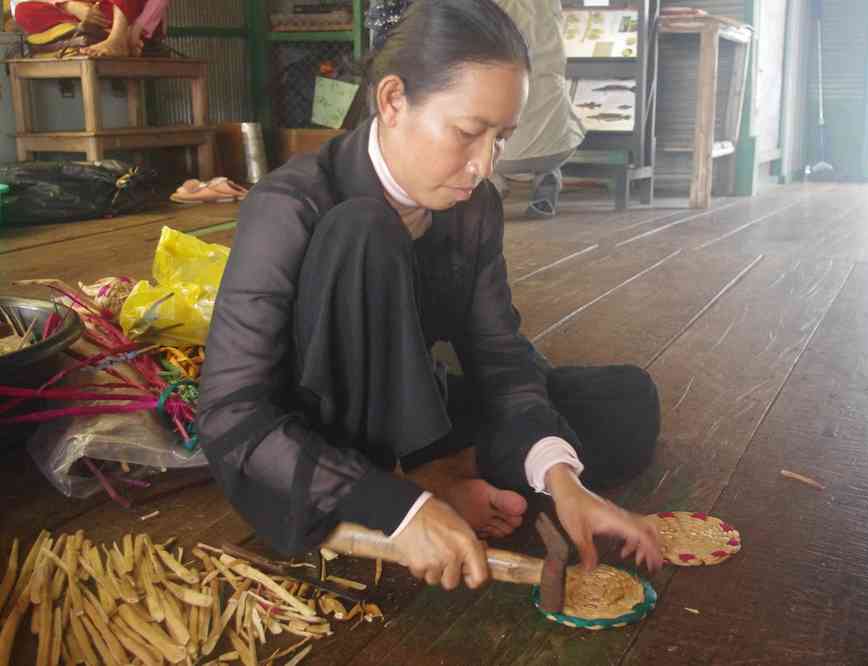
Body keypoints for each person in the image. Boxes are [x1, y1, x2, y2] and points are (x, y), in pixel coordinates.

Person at [198, 0, 662, 592]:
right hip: (324, 442)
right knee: (363, 232)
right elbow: (231, 416)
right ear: (393, 101)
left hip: (416, 408)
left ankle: (443, 471)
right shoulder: (290, 207)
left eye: (501, 137)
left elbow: (498, 354)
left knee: (627, 401)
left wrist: (564, 482)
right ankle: (412, 487)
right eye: (469, 133)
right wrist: (399, 509)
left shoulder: (476, 207)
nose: (483, 164)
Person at [492, 0, 585, 218]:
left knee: (483, 128)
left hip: (502, 156)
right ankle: (546, 183)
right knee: (556, 110)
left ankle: (493, 187)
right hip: (557, 149)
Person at [11, 0, 168, 56]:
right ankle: (98, 32)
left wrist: (136, 29)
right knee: (22, 10)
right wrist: (69, 5)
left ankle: (117, 39)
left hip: (127, 14)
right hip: (84, 13)